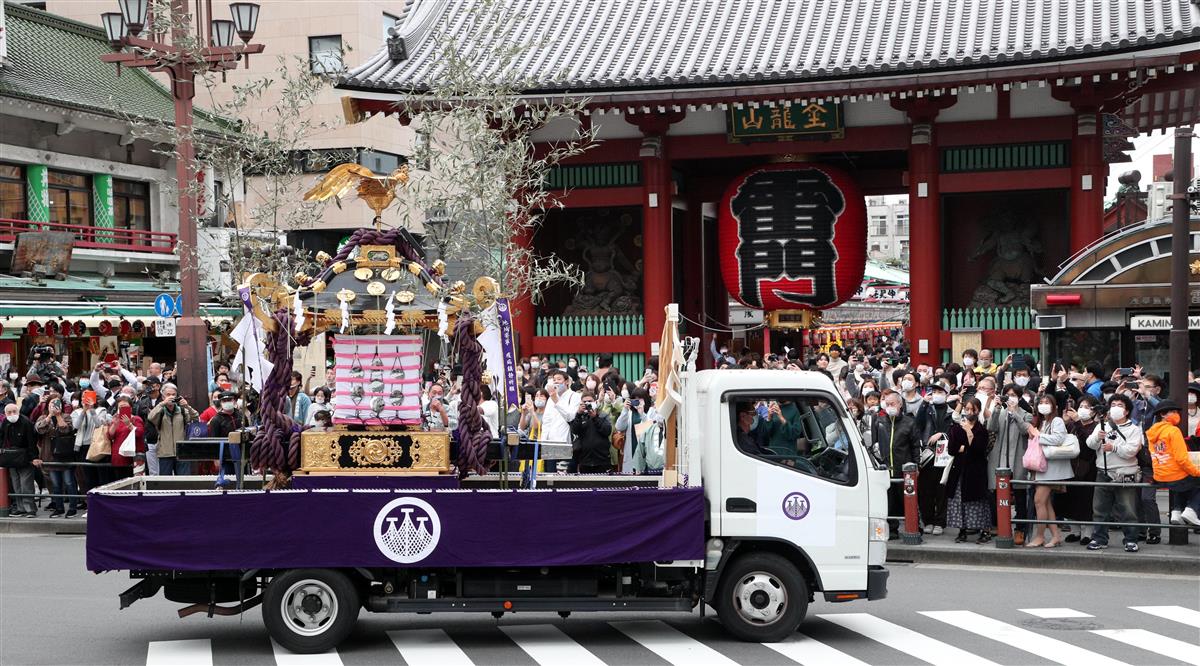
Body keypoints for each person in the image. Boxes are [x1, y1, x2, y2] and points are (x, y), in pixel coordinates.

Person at [1084, 393, 1144, 552]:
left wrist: (1114, 447)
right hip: (1103, 471)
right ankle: (1099, 538)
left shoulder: (1134, 429)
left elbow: (1132, 451)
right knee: (1099, 509)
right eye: (1113, 405)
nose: (1116, 408)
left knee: (1128, 509)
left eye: (1120, 405)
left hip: (1125, 473)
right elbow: (1090, 444)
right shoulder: (1102, 424)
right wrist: (1097, 437)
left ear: (1126, 411)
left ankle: (1131, 539)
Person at [1145, 400, 1200, 526]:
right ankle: (1192, 510)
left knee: (1182, 483)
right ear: (1163, 414)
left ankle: (1177, 511)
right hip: (1174, 475)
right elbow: (1181, 459)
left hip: (1160, 476)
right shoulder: (1173, 431)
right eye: (1173, 412)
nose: (1176, 414)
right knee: (1193, 479)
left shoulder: (1152, 432)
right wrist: (1196, 471)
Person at [872, 391, 919, 539]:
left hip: (903, 467)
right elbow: (874, 444)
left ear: (900, 404)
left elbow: (915, 446)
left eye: (892, 404)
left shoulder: (909, 422)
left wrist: (916, 465)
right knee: (888, 501)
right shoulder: (879, 422)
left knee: (906, 499)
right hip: (885, 468)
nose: (889, 406)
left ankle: (913, 527)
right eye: (887, 404)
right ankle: (892, 529)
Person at [945, 397, 990, 543]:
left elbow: (978, 450)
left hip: (976, 470)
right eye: (967, 409)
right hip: (959, 470)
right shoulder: (957, 428)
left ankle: (984, 531)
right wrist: (964, 447)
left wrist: (969, 435)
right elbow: (951, 449)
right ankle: (962, 530)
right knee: (959, 502)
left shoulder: (981, 429)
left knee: (978, 502)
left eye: (973, 409)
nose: (970, 412)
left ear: (978, 410)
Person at [1062, 395, 1101, 545]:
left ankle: (1087, 532)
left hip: (1088, 467)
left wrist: (1078, 421)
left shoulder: (1095, 426)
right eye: (1081, 406)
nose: (1083, 409)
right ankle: (1075, 531)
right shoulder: (1071, 425)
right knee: (1072, 499)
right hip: (1071, 466)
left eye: (1087, 407)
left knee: (1086, 500)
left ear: (1094, 411)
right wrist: (1066, 422)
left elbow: (1088, 443)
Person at [34, 396, 79, 517]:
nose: (54, 406)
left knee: (69, 482)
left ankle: (72, 507)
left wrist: (58, 416)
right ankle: (59, 507)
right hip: (49, 455)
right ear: (47, 405)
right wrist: (49, 416)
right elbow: (39, 430)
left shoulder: (66, 416)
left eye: (57, 404)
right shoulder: (43, 417)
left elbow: (65, 430)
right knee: (56, 484)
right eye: (51, 404)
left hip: (65, 455)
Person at [919, 382, 955, 536]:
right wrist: (924, 404)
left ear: (947, 394)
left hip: (944, 455)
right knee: (925, 490)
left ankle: (940, 522)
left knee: (942, 490)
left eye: (940, 391)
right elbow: (917, 425)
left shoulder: (952, 412)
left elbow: (955, 430)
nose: (936, 394)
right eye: (934, 391)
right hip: (927, 455)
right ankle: (928, 520)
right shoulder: (927, 409)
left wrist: (942, 434)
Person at [147, 383, 199, 476]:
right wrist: (163, 403)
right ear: (163, 397)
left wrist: (187, 406)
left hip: (182, 452)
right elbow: (151, 417)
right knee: (166, 484)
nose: (171, 397)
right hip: (165, 453)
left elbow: (195, 417)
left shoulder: (182, 411)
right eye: (168, 395)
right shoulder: (160, 411)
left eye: (173, 394)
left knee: (184, 481)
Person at [1, 402, 40, 517]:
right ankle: (20, 508)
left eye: (14, 411)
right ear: (5, 414)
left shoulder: (26, 422)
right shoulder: (5, 422)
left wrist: (34, 457)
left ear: (18, 412)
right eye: (9, 412)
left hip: (25, 456)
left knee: (26, 484)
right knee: (16, 484)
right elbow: (1, 436)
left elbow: (32, 442)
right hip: (11, 456)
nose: (12, 414)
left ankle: (30, 509)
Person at [615, 388, 658, 473]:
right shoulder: (629, 413)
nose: (638, 401)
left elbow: (652, 429)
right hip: (632, 450)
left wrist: (642, 414)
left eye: (640, 399)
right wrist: (625, 410)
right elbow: (619, 427)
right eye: (635, 399)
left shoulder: (651, 411)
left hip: (646, 450)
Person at [570, 391, 612, 474]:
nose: (587, 403)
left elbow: (607, 431)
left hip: (602, 460)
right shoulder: (580, 416)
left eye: (589, 401)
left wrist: (595, 417)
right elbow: (574, 430)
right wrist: (578, 414)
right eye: (584, 402)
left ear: (595, 401)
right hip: (584, 460)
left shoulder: (603, 415)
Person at [539, 370, 580, 449]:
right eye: (554, 380)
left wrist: (556, 401)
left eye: (559, 379)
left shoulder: (575, 396)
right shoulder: (551, 398)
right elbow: (546, 420)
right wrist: (543, 441)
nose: (556, 382)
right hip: (550, 442)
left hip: (566, 442)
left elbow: (570, 417)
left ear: (567, 382)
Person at [107, 395, 145, 479]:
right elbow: (110, 436)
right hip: (119, 456)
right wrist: (114, 424)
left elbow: (139, 433)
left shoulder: (136, 419)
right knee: (119, 481)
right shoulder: (116, 420)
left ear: (131, 408)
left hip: (133, 457)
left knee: (135, 481)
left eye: (126, 407)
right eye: (120, 407)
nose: (123, 409)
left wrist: (129, 424)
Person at [207, 391, 243, 475]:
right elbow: (213, 440)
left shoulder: (241, 416)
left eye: (229, 400)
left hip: (240, 455)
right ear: (221, 403)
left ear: (234, 401)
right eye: (224, 401)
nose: (227, 402)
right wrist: (216, 459)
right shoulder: (216, 420)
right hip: (225, 457)